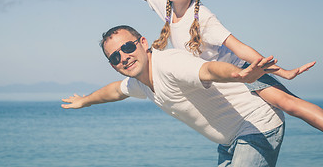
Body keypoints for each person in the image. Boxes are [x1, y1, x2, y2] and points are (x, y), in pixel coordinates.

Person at [106, 0, 323, 131]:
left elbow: (239, 48)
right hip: (230, 82)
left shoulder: (203, 19)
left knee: (290, 105)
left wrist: (281, 71)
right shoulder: (164, 3)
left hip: (243, 70)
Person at [62, 25, 285, 167]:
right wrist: (85, 101)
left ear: (143, 43)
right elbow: (114, 91)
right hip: (228, 141)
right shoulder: (140, 82)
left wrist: (239, 75)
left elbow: (208, 70)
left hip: (256, 126)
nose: (124, 57)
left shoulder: (170, 64)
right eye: (115, 57)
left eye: (128, 47)